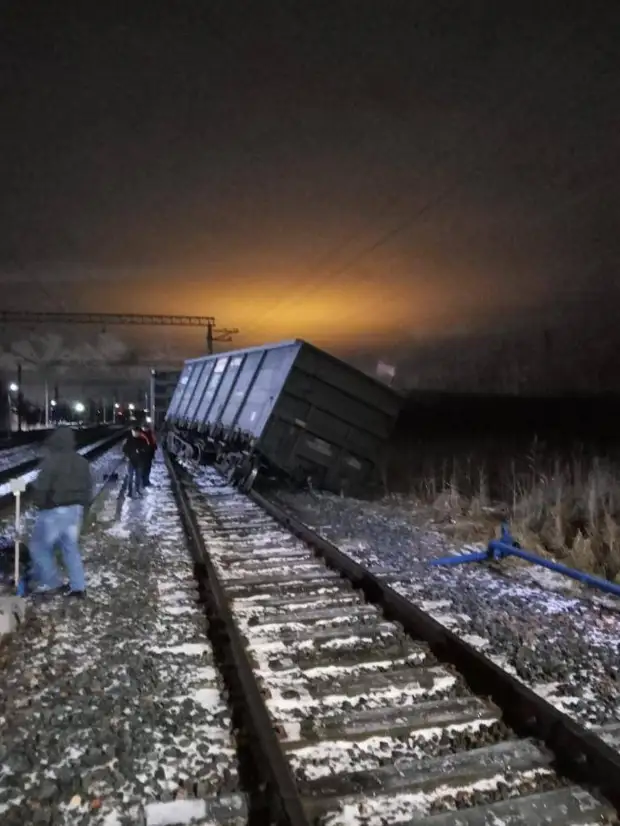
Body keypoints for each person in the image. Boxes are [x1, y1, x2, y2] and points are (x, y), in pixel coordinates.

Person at [29, 427, 92, 599]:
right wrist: (84, 509)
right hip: (76, 511)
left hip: (55, 511)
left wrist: (40, 504)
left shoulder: (51, 461)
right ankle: (79, 588)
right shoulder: (82, 462)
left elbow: (41, 488)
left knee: (38, 546)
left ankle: (52, 583)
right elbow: (88, 489)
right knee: (70, 547)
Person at [122, 427, 149, 497]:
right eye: (134, 432)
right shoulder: (129, 439)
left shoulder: (143, 440)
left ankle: (137, 490)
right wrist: (127, 456)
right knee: (130, 477)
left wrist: (140, 451)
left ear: (140, 433)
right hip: (131, 461)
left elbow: (146, 449)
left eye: (137, 432)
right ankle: (130, 491)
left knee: (138, 477)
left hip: (140, 461)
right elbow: (124, 449)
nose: (136, 433)